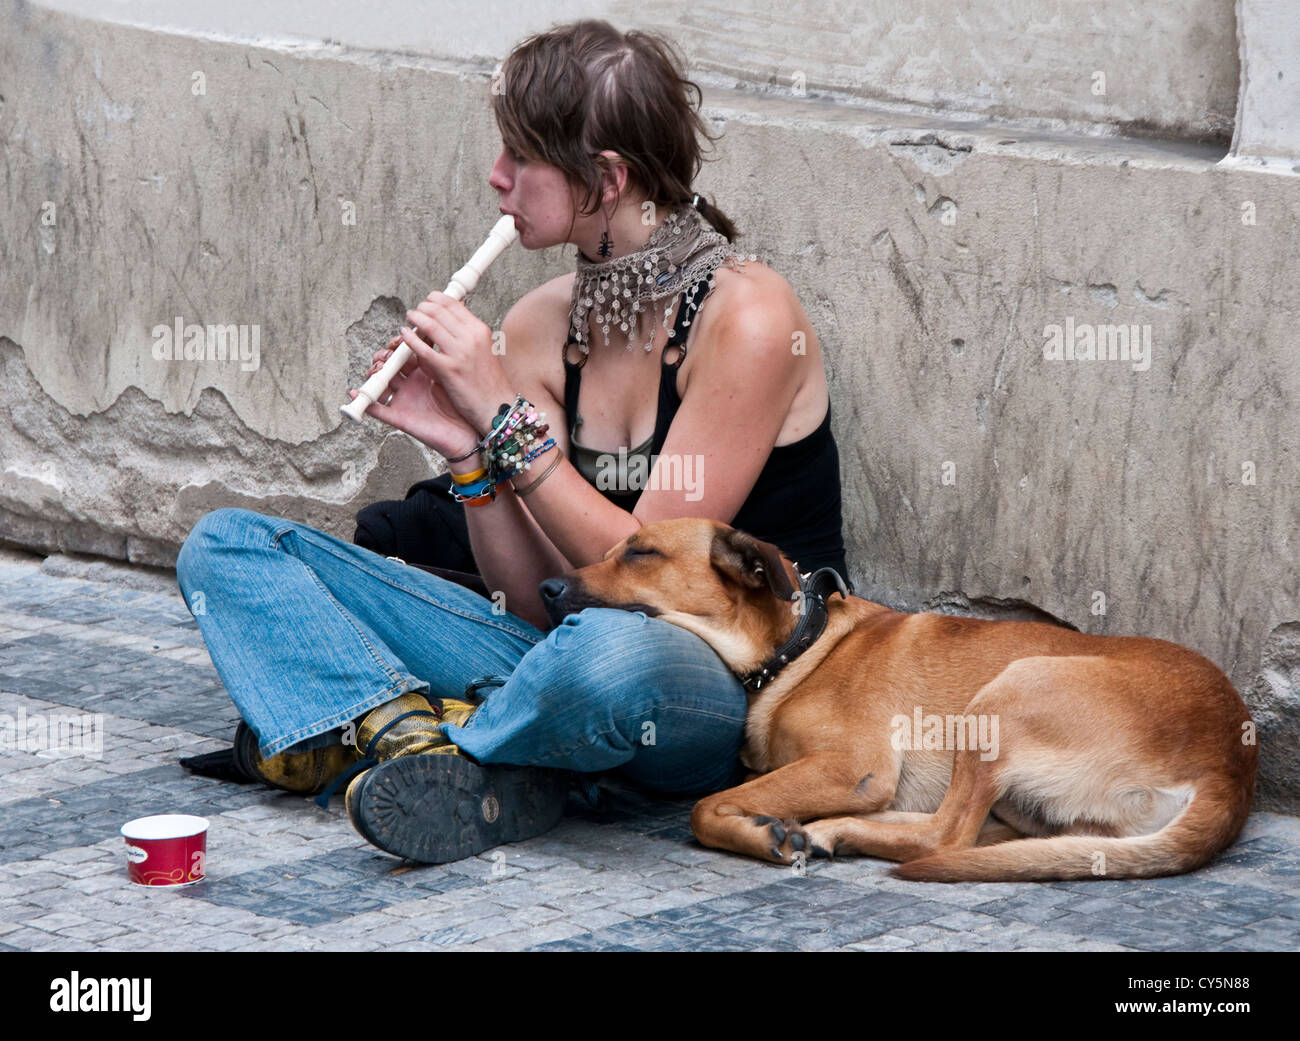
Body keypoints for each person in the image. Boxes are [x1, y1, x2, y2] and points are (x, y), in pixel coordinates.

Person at [175, 18, 847, 864]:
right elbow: (535, 602)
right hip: (555, 650)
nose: (497, 178)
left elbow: (651, 581)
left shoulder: (748, 318)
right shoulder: (537, 326)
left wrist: (503, 421)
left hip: (719, 682)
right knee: (228, 547)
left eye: (521, 157)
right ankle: (425, 746)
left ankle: (405, 728)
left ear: (606, 178)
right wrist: (465, 455)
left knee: (606, 662)